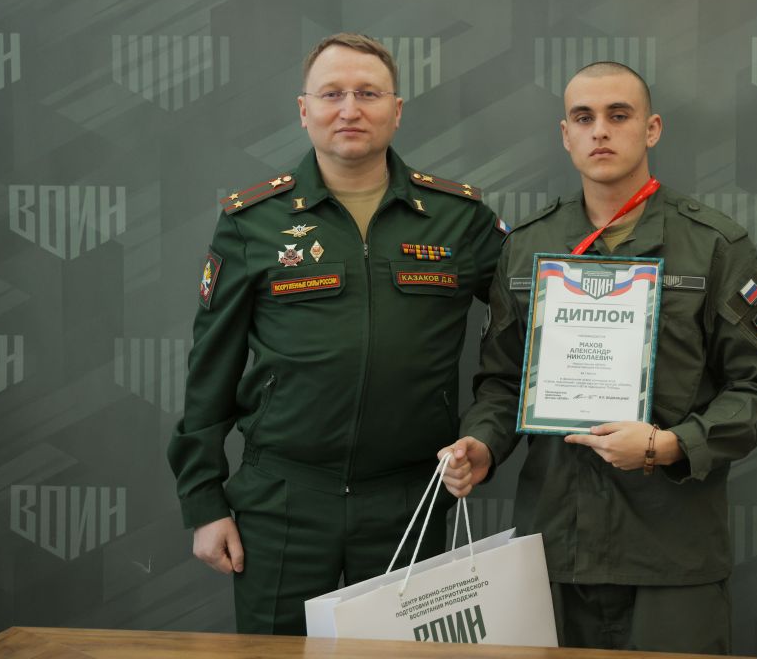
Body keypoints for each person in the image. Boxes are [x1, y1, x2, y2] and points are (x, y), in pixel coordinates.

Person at [438, 61, 757, 655]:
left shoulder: (712, 245)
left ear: (651, 129)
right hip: (555, 550)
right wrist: (482, 444)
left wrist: (667, 445)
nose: (600, 130)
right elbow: (502, 382)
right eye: (584, 118)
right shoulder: (526, 247)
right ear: (565, 135)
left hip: (670, 553)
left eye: (618, 115)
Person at [167, 33, 505, 634]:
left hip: (410, 499)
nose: (350, 109)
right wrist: (203, 501)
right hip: (282, 501)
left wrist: (485, 436)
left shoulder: (460, 219)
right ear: (305, 110)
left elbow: (519, 338)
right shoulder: (252, 222)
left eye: (368, 93)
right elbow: (210, 368)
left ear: (396, 110)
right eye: (332, 94)